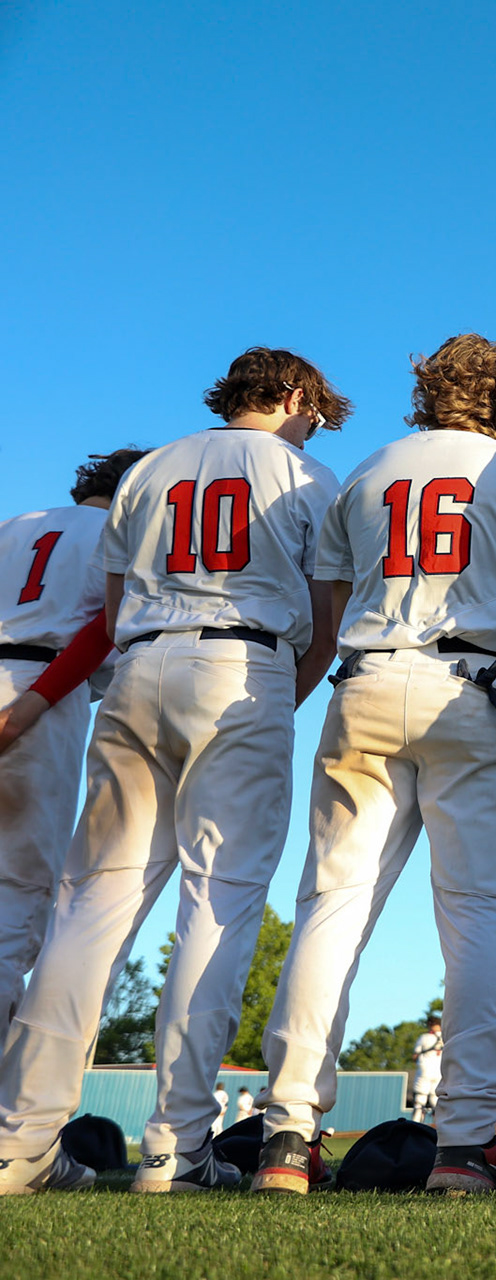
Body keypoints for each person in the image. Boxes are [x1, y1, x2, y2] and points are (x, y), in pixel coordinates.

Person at [0, 347, 346, 1197]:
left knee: (87, 909)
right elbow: (327, 619)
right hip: (242, 664)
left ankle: (20, 1139)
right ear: (294, 396)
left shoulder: (148, 468)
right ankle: (175, 1146)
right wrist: (279, 700)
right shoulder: (303, 472)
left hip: (140, 666)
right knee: (217, 903)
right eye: (316, 411)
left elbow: (113, 613)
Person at [252, 334, 496, 1196]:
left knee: (330, 907)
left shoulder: (366, 470)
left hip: (364, 679)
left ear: (426, 391)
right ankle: (466, 1144)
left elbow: (332, 608)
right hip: (471, 685)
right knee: (478, 916)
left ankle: (286, 1135)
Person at [0, 447, 148, 1043]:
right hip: (43, 695)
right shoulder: (120, 535)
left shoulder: (15, 526)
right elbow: (107, 633)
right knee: (15, 907)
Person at [412, 1015, 445, 1124]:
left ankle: (416, 1124)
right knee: (435, 1098)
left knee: (420, 1098)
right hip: (439, 1071)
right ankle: (438, 1124)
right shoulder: (446, 1037)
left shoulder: (424, 1037)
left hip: (425, 1070)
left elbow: (415, 1055)